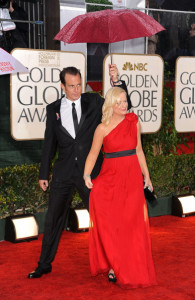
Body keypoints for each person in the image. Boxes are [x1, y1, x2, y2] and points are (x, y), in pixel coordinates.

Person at [28, 64, 130, 279]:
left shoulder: (93, 102)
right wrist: (43, 173)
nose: (76, 90)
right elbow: (49, 143)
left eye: (79, 85)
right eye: (71, 86)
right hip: (63, 172)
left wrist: (116, 81)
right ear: (62, 86)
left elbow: (120, 104)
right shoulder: (53, 109)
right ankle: (44, 264)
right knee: (53, 219)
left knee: (103, 219)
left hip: (90, 174)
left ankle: (115, 265)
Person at [84, 87, 157, 288]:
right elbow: (92, 154)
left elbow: (139, 151)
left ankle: (126, 264)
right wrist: (87, 174)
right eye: (119, 102)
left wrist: (147, 176)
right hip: (111, 178)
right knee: (113, 224)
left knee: (132, 224)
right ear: (111, 105)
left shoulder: (134, 122)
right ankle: (114, 264)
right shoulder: (102, 128)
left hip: (132, 178)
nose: (124, 105)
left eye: (125, 101)